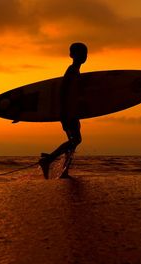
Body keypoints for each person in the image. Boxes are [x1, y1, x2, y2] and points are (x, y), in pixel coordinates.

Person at [39, 42, 88, 179]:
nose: (84, 56)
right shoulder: (71, 70)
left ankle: (64, 171)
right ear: (72, 55)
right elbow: (63, 90)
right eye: (81, 53)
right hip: (67, 111)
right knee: (76, 140)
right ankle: (48, 160)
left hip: (71, 111)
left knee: (72, 142)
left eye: (85, 53)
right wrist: (63, 111)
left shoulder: (76, 70)